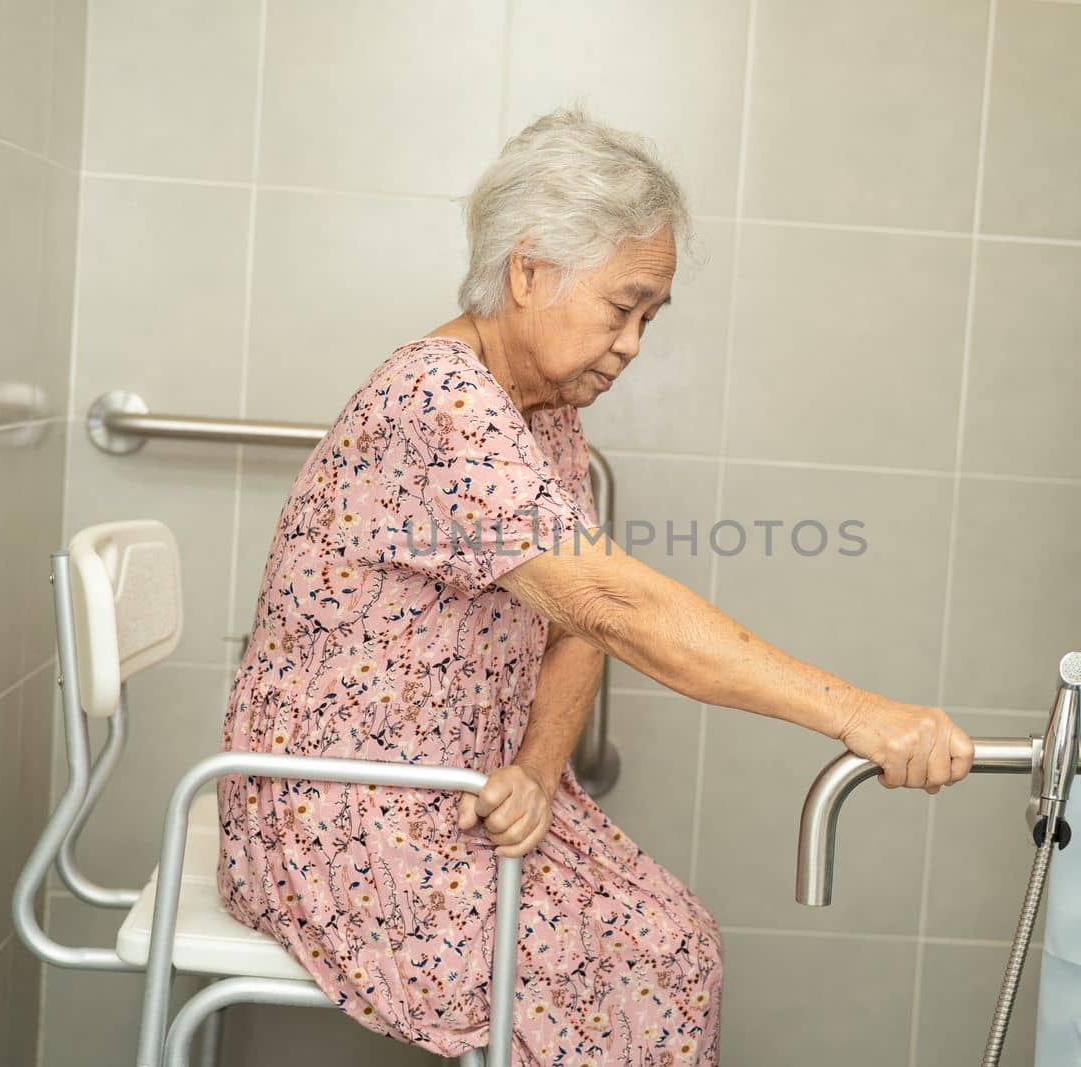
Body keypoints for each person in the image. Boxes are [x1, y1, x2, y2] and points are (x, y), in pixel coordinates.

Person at [218, 106, 973, 1067]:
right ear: (528, 272)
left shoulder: (541, 413)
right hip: (341, 809)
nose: (633, 344)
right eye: (623, 308)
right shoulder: (437, 403)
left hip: (463, 789)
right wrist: (861, 715)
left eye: (650, 317)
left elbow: (578, 627)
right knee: (627, 966)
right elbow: (614, 605)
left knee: (677, 944)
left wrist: (537, 768)